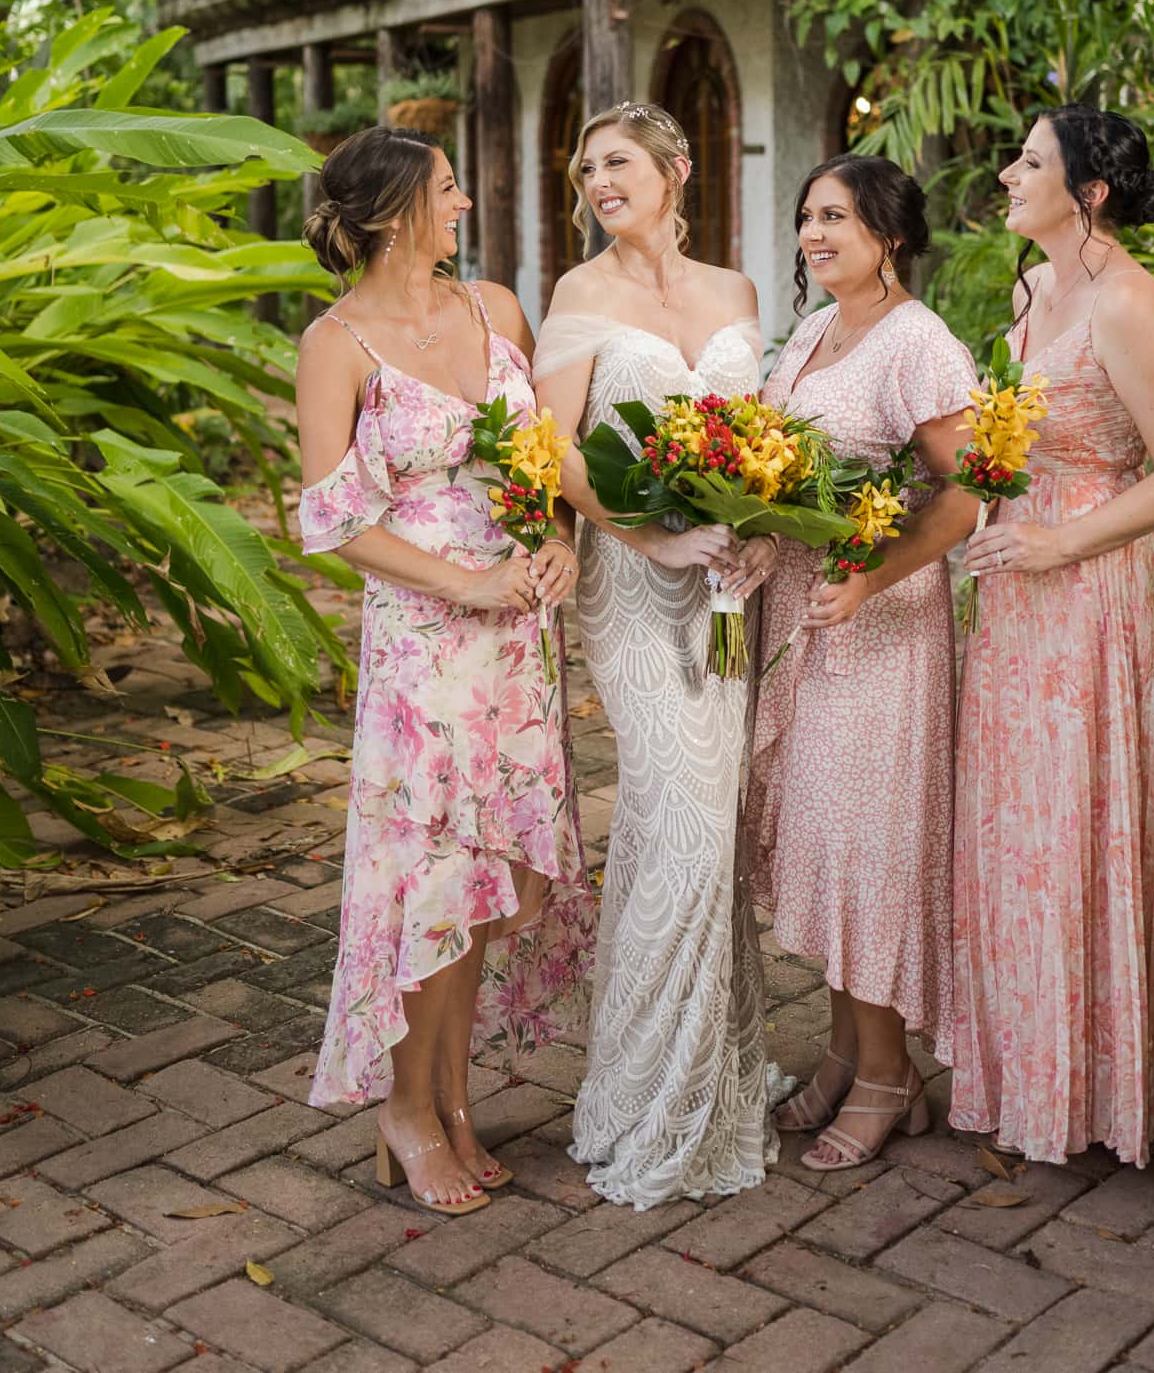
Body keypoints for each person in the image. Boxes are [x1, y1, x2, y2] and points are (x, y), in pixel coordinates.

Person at [296, 126, 593, 1215]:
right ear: (389, 216)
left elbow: (540, 458)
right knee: (426, 878)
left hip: (519, 639)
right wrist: (460, 583)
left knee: (485, 882)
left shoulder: (496, 309)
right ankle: (403, 1111)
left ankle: (455, 1100)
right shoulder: (337, 344)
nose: (464, 205)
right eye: (449, 190)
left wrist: (561, 536)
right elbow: (329, 523)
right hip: (425, 653)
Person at [950, 104, 1154, 1168]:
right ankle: (1029, 1074)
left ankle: (1103, 1086)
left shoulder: (1128, 302)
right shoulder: (1033, 287)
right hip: (1015, 587)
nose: (1009, 172)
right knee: (1018, 827)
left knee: (1078, 820)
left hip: (1088, 588)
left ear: (1089, 191)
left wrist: (1062, 547)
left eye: (1031, 160)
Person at [532, 100, 779, 1210]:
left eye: (620, 163)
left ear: (676, 170)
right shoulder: (580, 294)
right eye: (588, 170)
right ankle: (643, 1097)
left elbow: (764, 441)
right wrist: (656, 534)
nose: (599, 182)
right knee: (678, 806)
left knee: (705, 821)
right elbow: (552, 454)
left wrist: (757, 529)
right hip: (633, 583)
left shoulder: (736, 292)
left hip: (728, 584)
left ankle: (708, 1072)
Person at [747, 155, 976, 1172]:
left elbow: (972, 497)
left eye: (836, 217)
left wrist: (872, 582)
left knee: (866, 855)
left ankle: (891, 1074)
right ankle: (849, 1050)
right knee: (830, 848)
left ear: (888, 231)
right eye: (807, 217)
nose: (815, 234)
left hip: (880, 629)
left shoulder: (919, 344)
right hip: (810, 619)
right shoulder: (813, 329)